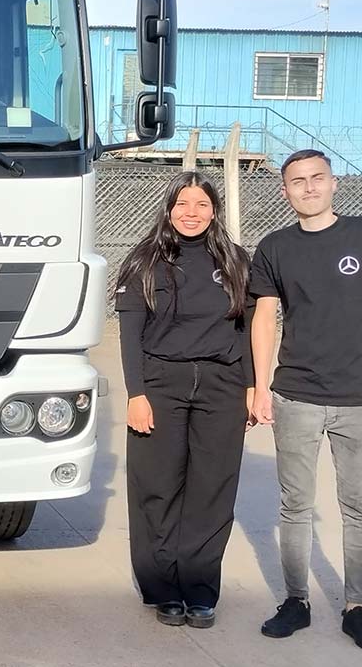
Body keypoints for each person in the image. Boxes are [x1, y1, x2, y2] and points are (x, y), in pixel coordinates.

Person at [251, 149, 362, 653]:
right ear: (285, 191)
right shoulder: (274, 247)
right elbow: (263, 319)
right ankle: (296, 600)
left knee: (357, 507)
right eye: (297, 181)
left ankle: (356, 607)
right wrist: (259, 386)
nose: (309, 188)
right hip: (295, 395)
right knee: (295, 506)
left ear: (333, 182)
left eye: (317, 178)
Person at [115, 171, 254, 630]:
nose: (191, 214)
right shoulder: (144, 260)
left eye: (201, 204)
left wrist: (251, 387)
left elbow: (249, 331)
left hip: (222, 384)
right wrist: (136, 394)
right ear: (169, 209)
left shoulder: (235, 260)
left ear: (214, 210)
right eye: (182, 204)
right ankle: (162, 588)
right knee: (157, 488)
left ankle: (199, 590)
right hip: (160, 382)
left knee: (211, 491)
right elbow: (131, 334)